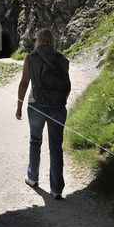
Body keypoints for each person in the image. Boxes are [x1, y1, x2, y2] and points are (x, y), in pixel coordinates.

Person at [15, 28, 71, 199]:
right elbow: (67, 86)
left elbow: (24, 84)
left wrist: (18, 107)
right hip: (58, 107)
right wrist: (60, 102)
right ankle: (57, 189)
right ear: (52, 41)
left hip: (36, 105)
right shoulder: (62, 59)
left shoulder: (31, 58)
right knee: (56, 147)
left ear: (37, 40)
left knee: (35, 140)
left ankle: (32, 177)